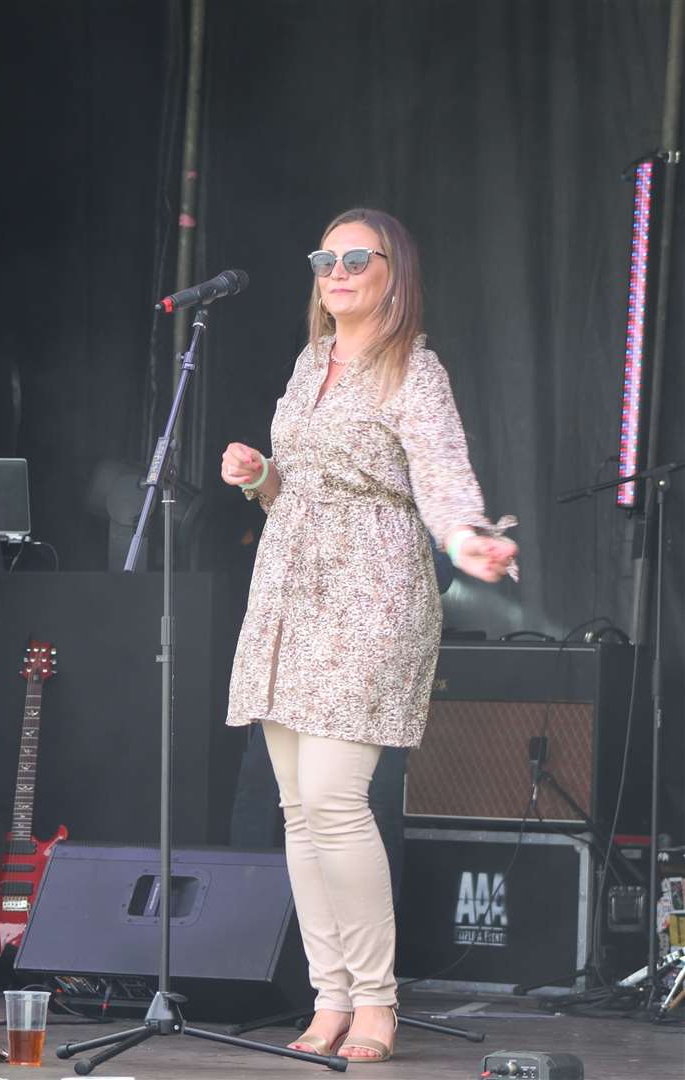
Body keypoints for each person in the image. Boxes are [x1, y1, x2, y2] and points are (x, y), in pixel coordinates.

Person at [221, 208, 518, 1064]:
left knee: (336, 799)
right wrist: (261, 477)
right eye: (326, 257)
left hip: (373, 591)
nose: (338, 269)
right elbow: (300, 490)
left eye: (359, 258)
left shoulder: (414, 371)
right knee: (295, 811)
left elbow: (442, 477)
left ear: (396, 274)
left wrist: (468, 540)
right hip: (288, 592)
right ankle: (330, 997)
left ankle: (378, 1003)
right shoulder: (310, 360)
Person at [229, 540, 457, 903]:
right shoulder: (305, 493)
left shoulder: (402, 498)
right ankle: (248, 917)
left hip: (369, 676)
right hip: (300, 667)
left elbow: (441, 574)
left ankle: (374, 937)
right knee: (261, 787)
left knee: (375, 802)